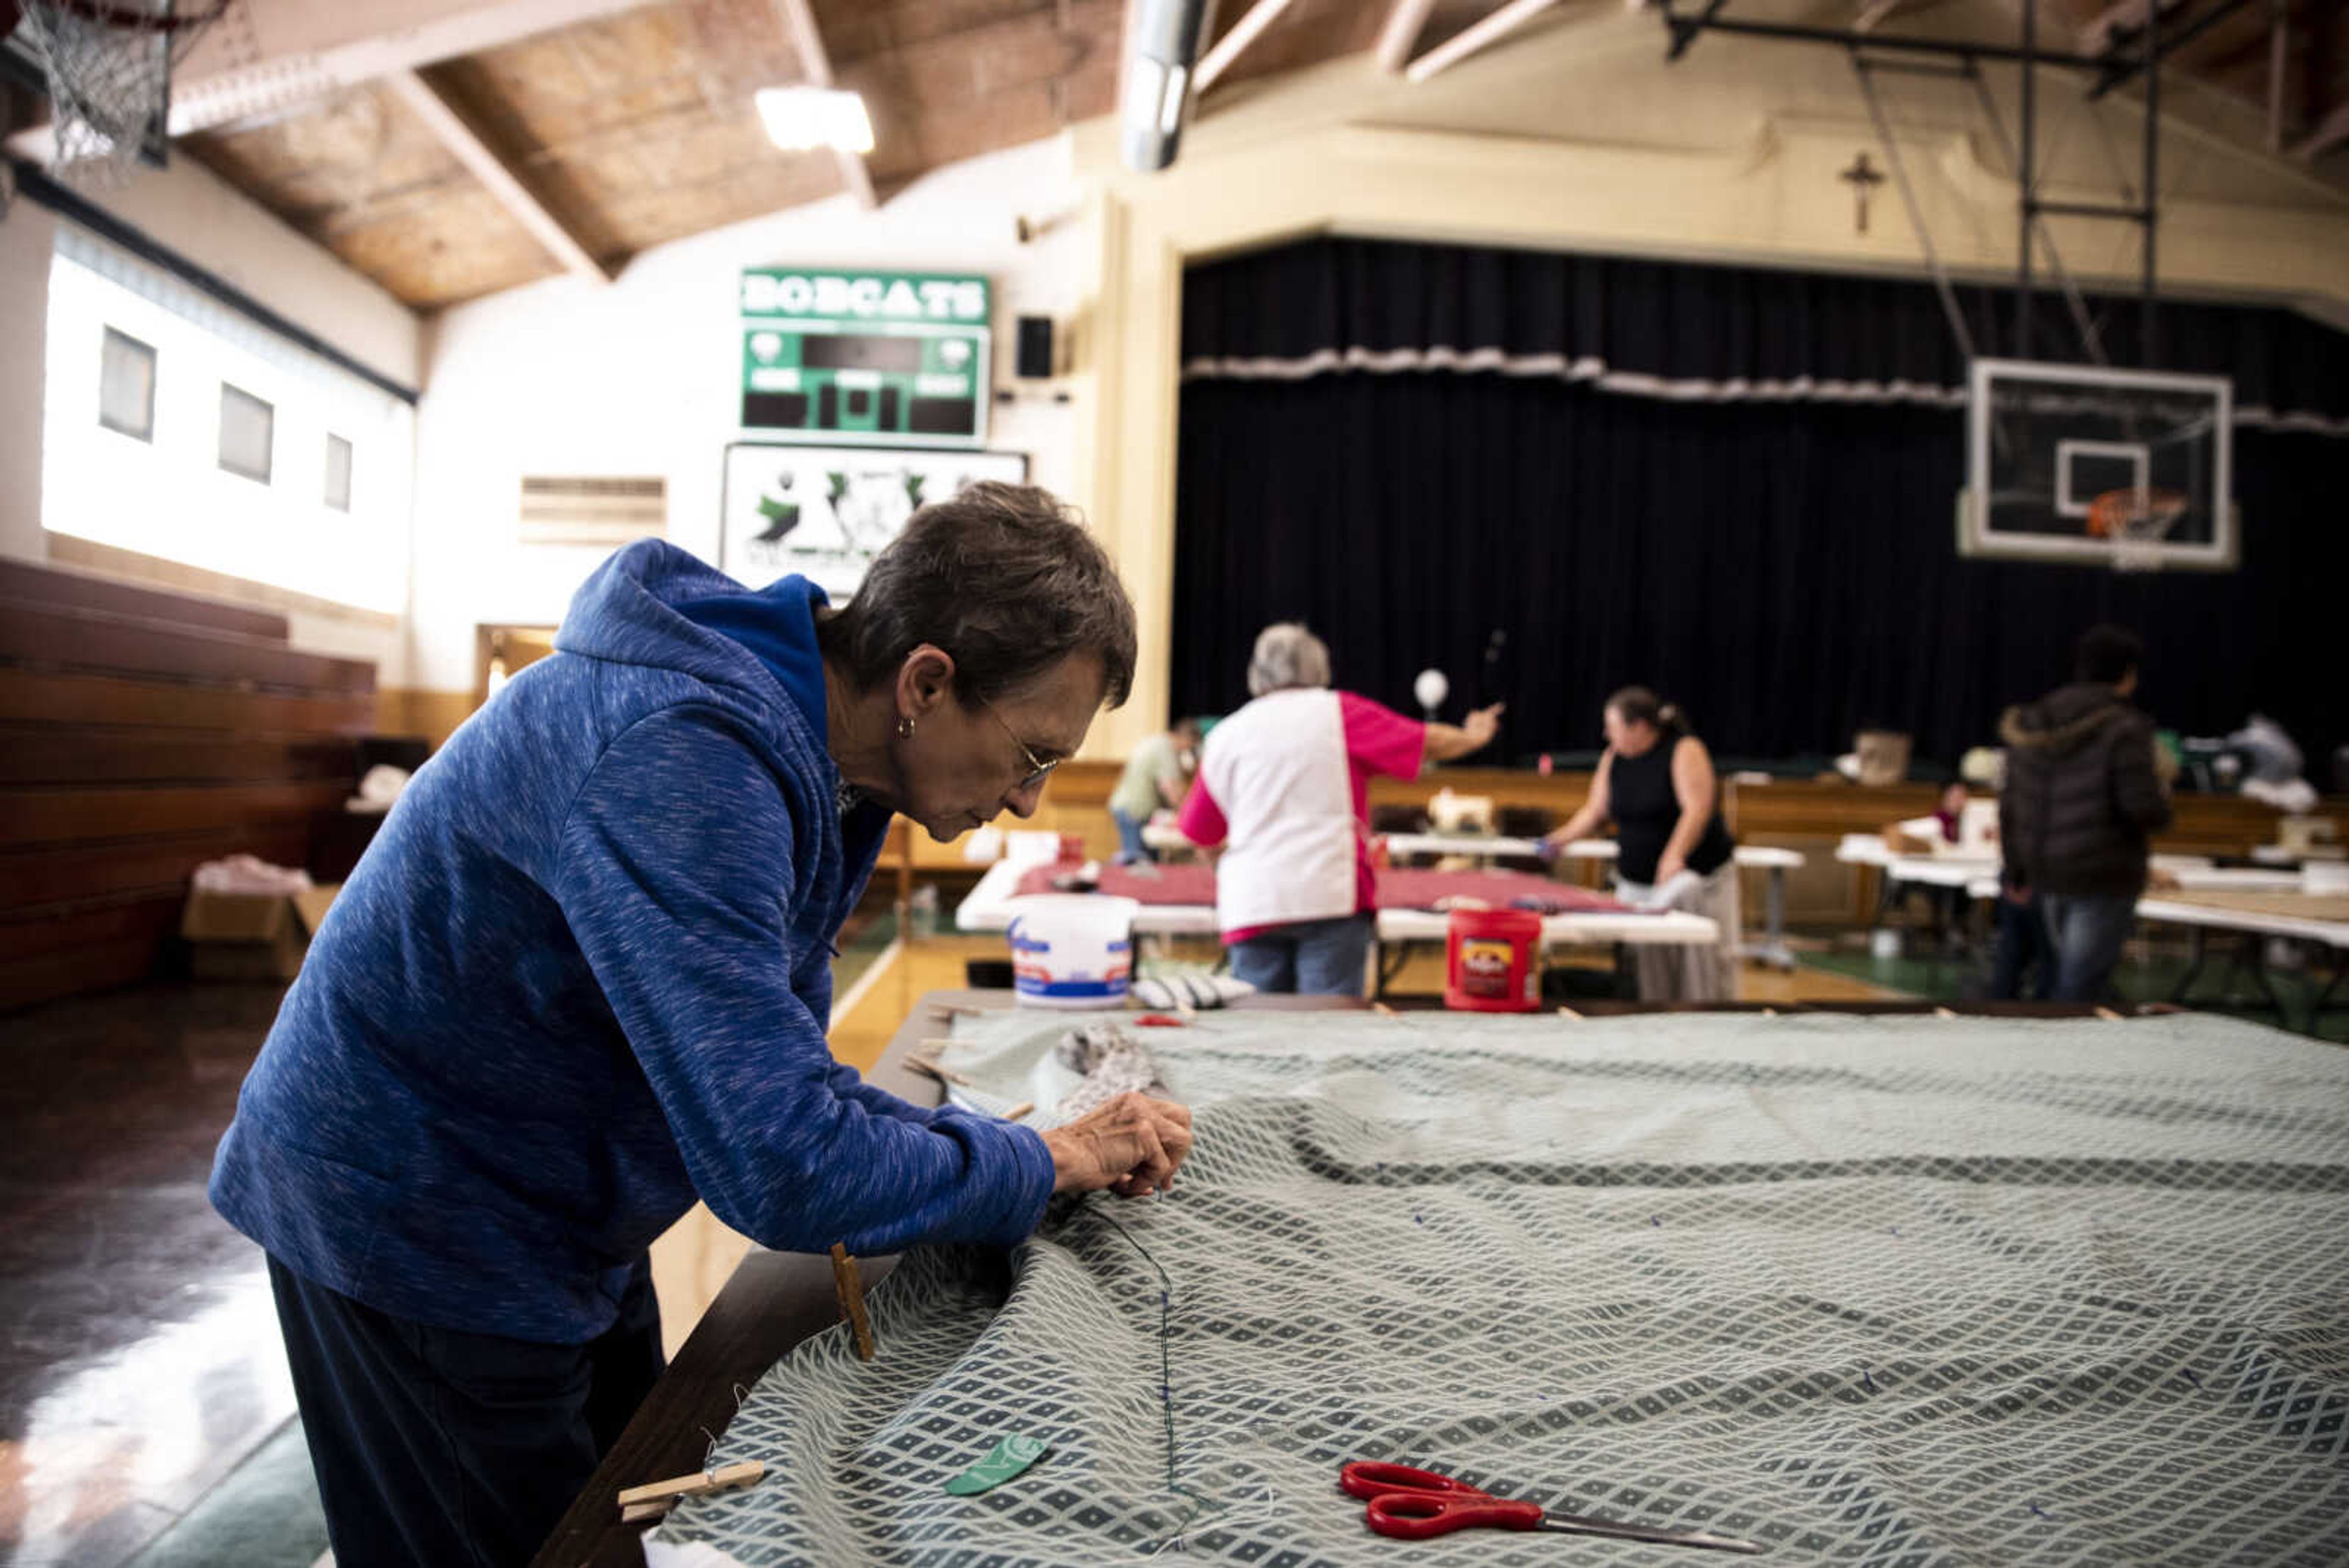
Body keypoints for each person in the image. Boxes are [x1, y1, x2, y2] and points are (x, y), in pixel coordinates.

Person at [207, 484, 1197, 1568]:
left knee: (617, 1503)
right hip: (414, 1206)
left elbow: (788, 1090)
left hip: (552, 1192)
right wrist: (1034, 1158)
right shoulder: (688, 755)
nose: (1027, 800)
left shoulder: (829, 761)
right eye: (1034, 754)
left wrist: (1031, 1156)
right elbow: (781, 1164)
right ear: (925, 680)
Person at [1176, 623, 1501, 995]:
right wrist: (1475, 736)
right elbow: (1427, 742)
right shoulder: (1339, 714)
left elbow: (1200, 833)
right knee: (1327, 1034)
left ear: (1256, 672)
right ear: (1320, 668)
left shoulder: (1224, 736)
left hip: (1254, 901)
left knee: (1257, 1031)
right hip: (1330, 895)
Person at [1998, 624, 2174, 1003]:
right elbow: (2142, 807)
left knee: (2060, 978)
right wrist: (2163, 805)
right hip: (2102, 873)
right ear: (2128, 675)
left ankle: (2048, 1054)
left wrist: (2015, 867)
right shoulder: (2125, 727)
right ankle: (2066, 1059)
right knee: (2079, 989)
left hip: (2044, 870)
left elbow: (2010, 803)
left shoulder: (2032, 721)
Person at [1540, 688, 1739, 1000]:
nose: (1607, 735)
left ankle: (1706, 1018)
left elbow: (1697, 809)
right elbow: (1596, 810)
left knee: (1701, 963)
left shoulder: (1684, 750)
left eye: (1613, 727)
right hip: (1637, 884)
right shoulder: (1614, 758)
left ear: (1640, 727)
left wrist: (1674, 855)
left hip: (1693, 879)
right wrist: (1559, 839)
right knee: (1642, 965)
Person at [1107, 716, 1201, 864]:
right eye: (1191, 746)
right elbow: (1169, 787)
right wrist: (1185, 814)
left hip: (1128, 806)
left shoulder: (1157, 742)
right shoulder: (1166, 749)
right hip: (1135, 810)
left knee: (1142, 859)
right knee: (1137, 861)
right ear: (1185, 739)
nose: (1189, 750)